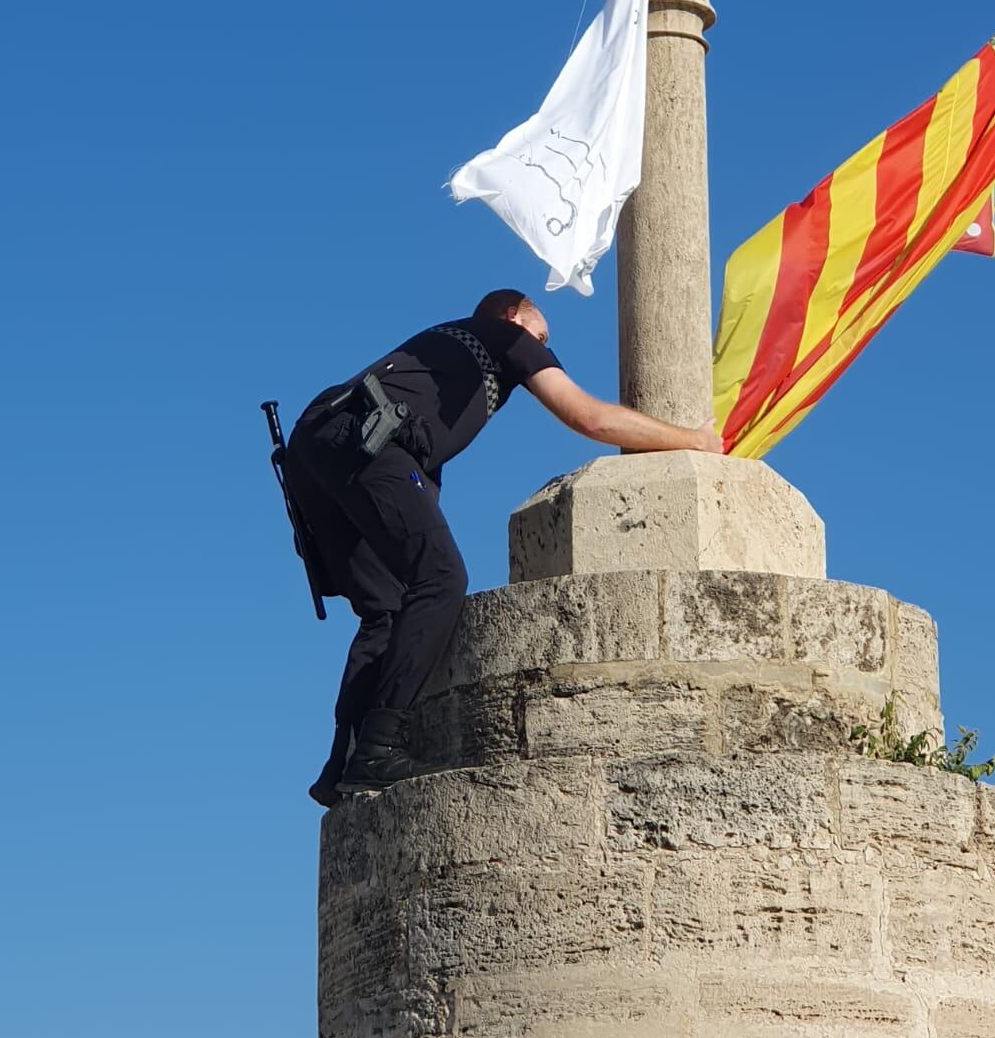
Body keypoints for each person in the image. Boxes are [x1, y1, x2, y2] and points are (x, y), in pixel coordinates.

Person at [284, 287, 722, 805]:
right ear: (514, 316)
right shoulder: (503, 336)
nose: (542, 348)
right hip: (366, 440)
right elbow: (589, 416)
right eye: (542, 336)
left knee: (386, 608)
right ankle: (379, 747)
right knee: (441, 579)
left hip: (316, 444)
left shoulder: (439, 363)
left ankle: (342, 762)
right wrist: (692, 440)